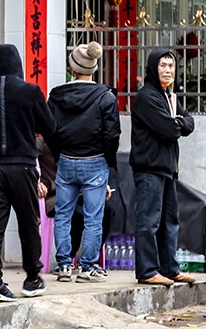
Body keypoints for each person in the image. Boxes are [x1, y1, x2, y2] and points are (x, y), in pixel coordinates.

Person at [0, 43, 56, 302]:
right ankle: (32, 278)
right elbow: (49, 126)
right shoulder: (31, 91)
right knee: (28, 223)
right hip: (22, 165)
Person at [48, 41, 120, 282]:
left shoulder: (56, 96)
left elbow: (50, 131)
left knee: (63, 215)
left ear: (72, 68)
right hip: (95, 162)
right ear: (94, 68)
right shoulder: (106, 97)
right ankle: (88, 266)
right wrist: (108, 161)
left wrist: (59, 155)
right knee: (93, 217)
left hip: (66, 160)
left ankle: (64, 265)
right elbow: (112, 135)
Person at [130, 48, 196, 287]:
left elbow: (189, 123)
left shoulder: (170, 96)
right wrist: (177, 123)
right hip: (149, 168)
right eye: (162, 66)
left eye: (171, 66)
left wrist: (177, 121)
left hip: (168, 169)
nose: (167, 70)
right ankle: (147, 270)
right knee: (149, 222)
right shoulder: (147, 97)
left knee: (170, 220)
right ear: (152, 68)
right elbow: (170, 130)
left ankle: (169, 268)